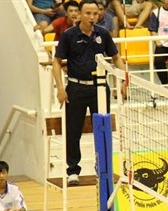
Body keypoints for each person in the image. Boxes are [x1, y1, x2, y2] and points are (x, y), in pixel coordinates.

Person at [52, 0, 128, 186]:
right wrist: (61, 88)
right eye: (87, 13)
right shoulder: (68, 35)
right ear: (79, 14)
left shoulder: (103, 33)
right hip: (76, 88)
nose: (92, 17)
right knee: (73, 130)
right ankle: (72, 171)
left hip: (100, 88)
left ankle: (102, 167)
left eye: (95, 13)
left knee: (102, 129)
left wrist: (124, 79)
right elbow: (56, 61)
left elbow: (116, 57)